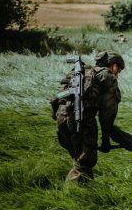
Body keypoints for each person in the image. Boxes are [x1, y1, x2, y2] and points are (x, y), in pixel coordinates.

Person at [51, 51, 127, 182]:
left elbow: (55, 99)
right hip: (82, 119)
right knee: (85, 161)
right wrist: (105, 140)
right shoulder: (107, 76)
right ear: (114, 66)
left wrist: (59, 117)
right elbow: (107, 114)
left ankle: (85, 192)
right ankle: (74, 196)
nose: (117, 74)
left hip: (61, 118)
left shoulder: (80, 71)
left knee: (79, 161)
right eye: (118, 70)